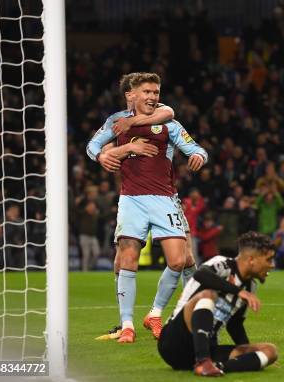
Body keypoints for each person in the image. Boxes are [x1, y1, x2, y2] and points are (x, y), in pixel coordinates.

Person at [86, 72, 208, 343]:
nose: (153, 97)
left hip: (164, 198)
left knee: (179, 260)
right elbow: (92, 146)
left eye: (156, 92)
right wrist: (106, 155)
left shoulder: (169, 123)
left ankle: (155, 313)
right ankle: (127, 325)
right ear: (131, 95)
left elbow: (196, 148)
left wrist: (199, 155)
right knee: (127, 258)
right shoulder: (116, 122)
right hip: (131, 199)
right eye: (147, 92)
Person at [158, 232, 278, 377]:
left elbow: (235, 325)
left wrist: (248, 354)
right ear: (251, 259)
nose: (272, 265)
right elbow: (200, 274)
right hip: (174, 342)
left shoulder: (251, 287)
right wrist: (238, 291)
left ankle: (217, 367)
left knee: (270, 351)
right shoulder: (223, 264)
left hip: (207, 348)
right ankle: (203, 362)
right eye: (269, 260)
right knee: (208, 294)